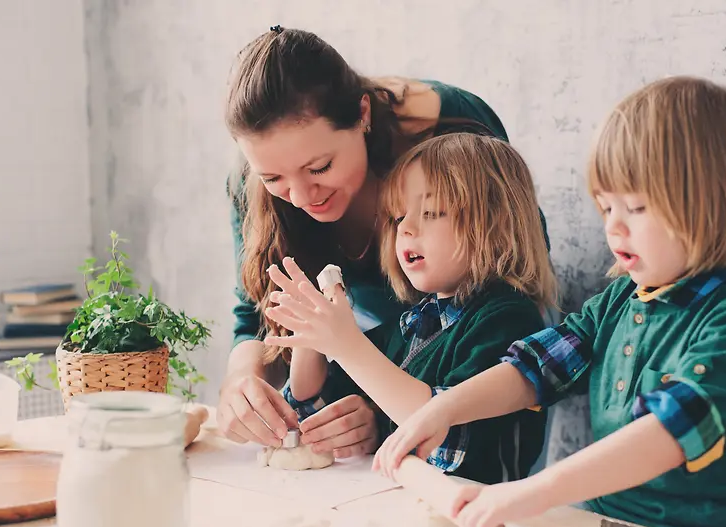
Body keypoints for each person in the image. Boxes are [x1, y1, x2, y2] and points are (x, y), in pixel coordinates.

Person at [373, 76, 726, 527]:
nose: (613, 226)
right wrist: (443, 410)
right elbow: (533, 370)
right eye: (605, 206)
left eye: (636, 207)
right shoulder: (619, 300)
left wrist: (533, 491)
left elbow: (668, 434)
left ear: (714, 200)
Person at [217, 25, 553, 457]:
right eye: (273, 178)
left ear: (362, 115)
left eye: (319, 167)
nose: (301, 197)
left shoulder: (451, 130)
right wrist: (242, 380)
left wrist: (375, 396)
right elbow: (258, 313)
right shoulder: (248, 182)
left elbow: (513, 265)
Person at [263, 133, 558, 483]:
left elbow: (445, 440)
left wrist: (347, 346)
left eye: (431, 212)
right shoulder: (416, 322)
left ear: (497, 224)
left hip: (480, 518)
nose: (407, 228)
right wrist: (311, 340)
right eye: (398, 216)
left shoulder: (507, 318)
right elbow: (314, 409)